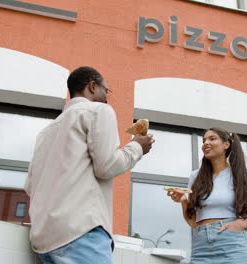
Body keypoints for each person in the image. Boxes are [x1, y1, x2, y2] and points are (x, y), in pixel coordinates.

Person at [24, 66, 155, 264]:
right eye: (106, 91)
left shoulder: (46, 131)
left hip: (44, 239)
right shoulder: (98, 111)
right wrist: (137, 147)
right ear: (93, 87)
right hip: (81, 232)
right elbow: (107, 166)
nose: (107, 98)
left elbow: (29, 186)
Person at [167, 127, 247, 264]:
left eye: (212, 139)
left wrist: (240, 224)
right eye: (204, 140)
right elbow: (193, 222)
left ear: (226, 144)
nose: (205, 143)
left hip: (232, 244)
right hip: (201, 245)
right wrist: (184, 201)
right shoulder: (195, 177)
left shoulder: (243, 172)